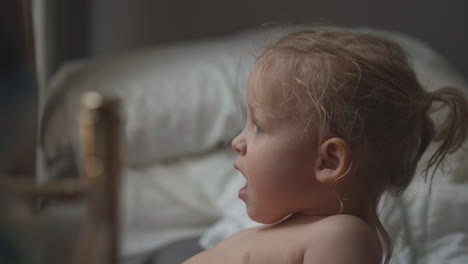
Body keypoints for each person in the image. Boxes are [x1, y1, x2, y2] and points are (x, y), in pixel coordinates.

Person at [183, 28, 468, 264]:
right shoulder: (298, 231)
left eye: (258, 126)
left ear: (329, 161)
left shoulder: (341, 236)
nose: (237, 141)